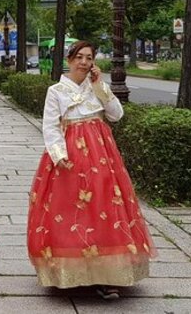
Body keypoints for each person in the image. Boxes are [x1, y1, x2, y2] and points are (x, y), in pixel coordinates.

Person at [27, 40, 156, 299]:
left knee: (105, 208)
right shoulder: (56, 90)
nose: (84, 62)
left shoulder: (97, 87)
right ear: (69, 59)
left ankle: (108, 275)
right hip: (70, 154)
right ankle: (69, 271)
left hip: (101, 154)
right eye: (79, 57)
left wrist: (100, 87)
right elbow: (50, 126)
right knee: (69, 210)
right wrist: (59, 154)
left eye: (89, 58)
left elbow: (117, 114)